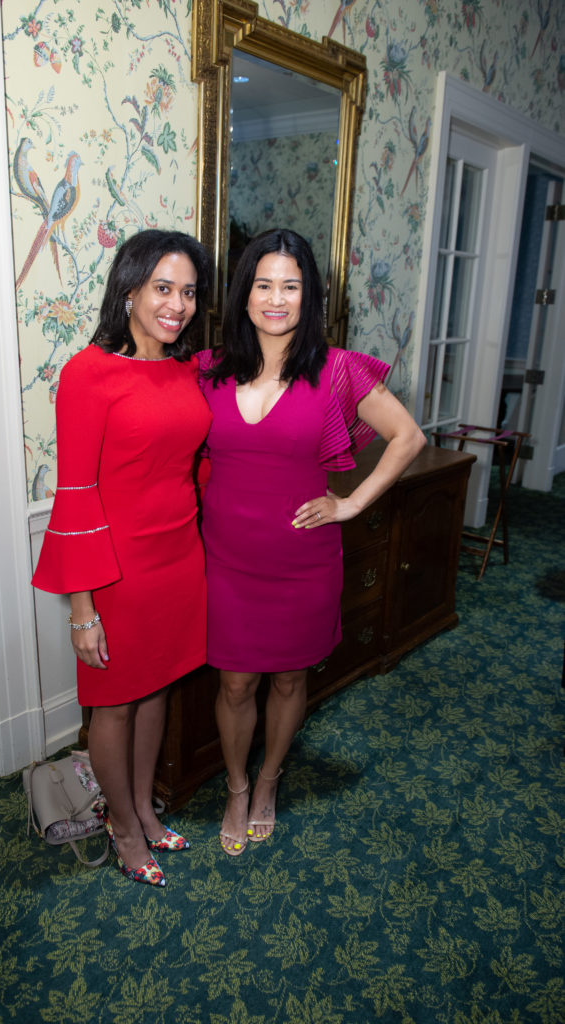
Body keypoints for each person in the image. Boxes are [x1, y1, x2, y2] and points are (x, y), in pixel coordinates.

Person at [197, 229, 425, 856]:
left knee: (290, 681)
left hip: (302, 560)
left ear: (310, 296)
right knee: (235, 685)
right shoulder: (208, 370)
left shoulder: (337, 371)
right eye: (263, 285)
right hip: (225, 560)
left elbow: (408, 437)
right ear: (244, 294)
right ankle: (237, 785)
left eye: (291, 286)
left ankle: (269, 779)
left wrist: (351, 503)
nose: (276, 299)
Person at [32, 229, 213, 887]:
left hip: (180, 558)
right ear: (130, 289)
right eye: (163, 288)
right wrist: (81, 608)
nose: (178, 305)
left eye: (188, 292)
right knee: (113, 704)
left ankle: (143, 807)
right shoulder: (88, 373)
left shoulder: (187, 369)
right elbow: (76, 494)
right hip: (119, 570)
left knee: (156, 688)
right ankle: (124, 827)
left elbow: (194, 463)